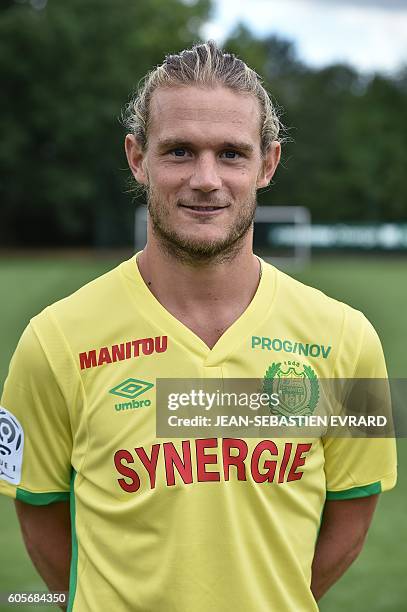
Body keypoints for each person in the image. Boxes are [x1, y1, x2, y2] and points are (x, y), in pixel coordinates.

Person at [0, 40, 397, 612]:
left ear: (269, 163)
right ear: (138, 158)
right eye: (180, 151)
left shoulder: (349, 340)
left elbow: (353, 510)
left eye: (232, 154)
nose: (206, 179)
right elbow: (38, 512)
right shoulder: (54, 340)